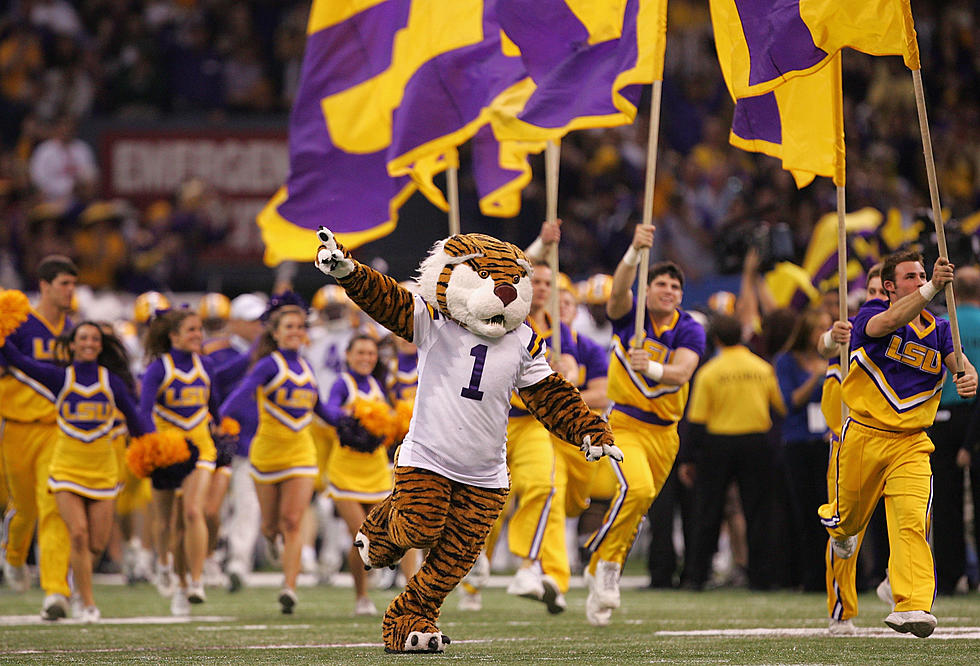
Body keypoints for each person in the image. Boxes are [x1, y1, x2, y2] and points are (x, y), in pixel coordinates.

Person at [818, 250, 978, 638]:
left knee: (912, 522)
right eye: (910, 276)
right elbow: (889, 321)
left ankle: (912, 604)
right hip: (863, 437)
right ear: (889, 286)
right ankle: (839, 529)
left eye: (922, 274)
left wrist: (969, 376)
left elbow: (959, 361)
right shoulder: (871, 313)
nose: (920, 279)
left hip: (911, 442)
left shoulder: (941, 328)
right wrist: (931, 286)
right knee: (848, 523)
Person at [583, 224, 705, 626]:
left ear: (681, 296)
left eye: (674, 286)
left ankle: (600, 564)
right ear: (647, 289)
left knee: (639, 506)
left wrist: (651, 366)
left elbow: (683, 372)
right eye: (660, 284)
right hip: (625, 424)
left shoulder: (689, 328)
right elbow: (617, 293)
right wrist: (634, 252)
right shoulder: (629, 317)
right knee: (638, 490)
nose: (668, 290)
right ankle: (606, 566)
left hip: (665, 433)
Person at [0, 317, 149, 622]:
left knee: (94, 543)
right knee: (78, 535)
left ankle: (78, 584)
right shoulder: (59, 378)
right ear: (71, 345)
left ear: (100, 345)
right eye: (83, 338)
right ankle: (85, 601)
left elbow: (136, 421)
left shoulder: (112, 382)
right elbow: (20, 362)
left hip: (103, 470)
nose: (89, 344)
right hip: (66, 467)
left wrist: (161, 449)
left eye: (94, 339)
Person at [219, 295, 331, 614]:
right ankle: (272, 543)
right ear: (276, 333)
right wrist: (224, 420)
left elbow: (322, 409)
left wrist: (354, 419)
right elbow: (240, 395)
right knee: (271, 527)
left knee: (293, 520)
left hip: (301, 455)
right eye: (289, 327)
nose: (296, 331)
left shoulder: (307, 366)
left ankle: (289, 587)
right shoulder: (268, 364)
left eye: (300, 326)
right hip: (267, 455)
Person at [685, 314, 786, 591]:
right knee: (758, 511)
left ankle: (697, 575)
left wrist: (689, 457)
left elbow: (697, 420)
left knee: (709, 511)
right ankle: (761, 577)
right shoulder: (762, 368)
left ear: (715, 339)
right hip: (756, 443)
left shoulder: (709, 372)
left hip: (718, 444)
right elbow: (779, 406)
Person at [0, 255, 76, 620]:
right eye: (64, 283)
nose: (71, 291)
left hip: (56, 430)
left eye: (73, 284)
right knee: (25, 508)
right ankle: (13, 555)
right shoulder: (18, 324)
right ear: (44, 286)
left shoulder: (74, 330)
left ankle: (56, 591)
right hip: (15, 426)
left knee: (53, 508)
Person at [818, 264, 892, 634]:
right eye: (873, 290)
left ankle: (900, 578)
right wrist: (834, 336)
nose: (877, 297)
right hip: (848, 442)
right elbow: (823, 346)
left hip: (894, 439)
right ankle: (841, 610)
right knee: (845, 532)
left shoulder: (910, 331)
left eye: (884, 291)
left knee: (915, 515)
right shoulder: (855, 330)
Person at [140, 308, 222, 615]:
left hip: (201, 449)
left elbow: (214, 407)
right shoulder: (158, 368)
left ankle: (194, 582)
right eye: (191, 330)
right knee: (165, 523)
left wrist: (224, 427)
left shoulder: (207, 365)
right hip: (167, 450)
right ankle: (168, 568)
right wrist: (155, 444)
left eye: (199, 329)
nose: (197, 335)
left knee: (192, 511)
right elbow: (143, 411)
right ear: (173, 336)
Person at [323, 334, 403, 616]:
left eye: (370, 353)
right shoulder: (342, 383)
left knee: (376, 534)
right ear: (348, 355)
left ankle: (381, 584)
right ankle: (361, 597)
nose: (366, 358)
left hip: (375, 470)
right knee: (361, 536)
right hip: (345, 471)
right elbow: (329, 408)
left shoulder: (377, 384)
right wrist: (349, 418)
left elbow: (391, 418)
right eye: (360, 353)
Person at [929, 266, 980, 596]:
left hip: (942, 416)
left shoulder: (943, 324)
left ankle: (949, 577)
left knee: (945, 502)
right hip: (975, 412)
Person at [211, 293, 266, 592]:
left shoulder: (269, 354)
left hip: (253, 439)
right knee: (213, 508)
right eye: (252, 320)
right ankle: (210, 555)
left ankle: (238, 561)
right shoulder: (217, 352)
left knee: (248, 503)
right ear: (235, 322)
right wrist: (253, 355)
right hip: (220, 440)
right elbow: (214, 381)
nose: (259, 326)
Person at [775, 308, 832, 592]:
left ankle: (840, 575)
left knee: (832, 512)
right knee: (804, 511)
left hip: (828, 443)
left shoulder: (836, 360)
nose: (824, 332)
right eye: (818, 327)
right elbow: (789, 402)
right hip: (798, 443)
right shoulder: (786, 362)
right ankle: (808, 576)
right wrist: (814, 378)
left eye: (827, 326)